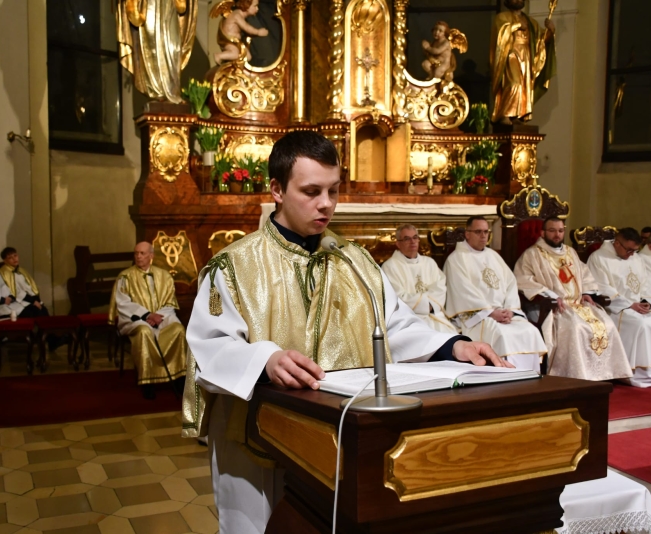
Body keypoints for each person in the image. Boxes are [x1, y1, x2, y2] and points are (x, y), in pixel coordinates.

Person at [180, 131, 511, 534]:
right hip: (258, 440)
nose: (326, 203)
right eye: (311, 191)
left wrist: (452, 345)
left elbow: (394, 324)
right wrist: (265, 359)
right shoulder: (234, 266)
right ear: (277, 190)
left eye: (334, 191)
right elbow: (210, 347)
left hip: (341, 438)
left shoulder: (354, 260)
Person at [514, 217, 632, 380]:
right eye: (552, 231)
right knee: (576, 328)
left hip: (578, 303)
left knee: (607, 324)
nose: (557, 235)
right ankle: (575, 375)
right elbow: (523, 280)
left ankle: (604, 374)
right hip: (553, 306)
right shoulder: (532, 255)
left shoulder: (570, 252)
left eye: (560, 231)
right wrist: (551, 296)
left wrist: (586, 292)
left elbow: (584, 274)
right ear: (542, 233)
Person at [444, 216, 547, 372]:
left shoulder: (493, 256)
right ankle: (509, 378)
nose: (483, 236)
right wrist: (491, 312)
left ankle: (531, 377)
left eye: (486, 232)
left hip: (503, 313)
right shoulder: (456, 259)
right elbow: (463, 292)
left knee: (530, 331)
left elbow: (510, 283)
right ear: (467, 234)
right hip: (477, 316)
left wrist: (510, 310)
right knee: (503, 335)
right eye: (478, 232)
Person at [587, 227, 651, 387]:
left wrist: (646, 301)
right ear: (617, 243)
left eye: (635, 250)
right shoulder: (599, 258)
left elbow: (645, 283)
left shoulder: (636, 258)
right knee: (642, 326)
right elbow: (601, 287)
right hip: (616, 308)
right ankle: (634, 373)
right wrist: (629, 304)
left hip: (638, 306)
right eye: (629, 249)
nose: (631, 254)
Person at [109, 242, 187, 400]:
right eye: (136, 253)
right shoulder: (125, 276)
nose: (138, 256)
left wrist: (156, 316)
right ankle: (147, 382)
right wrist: (146, 315)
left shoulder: (164, 276)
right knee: (144, 332)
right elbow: (123, 304)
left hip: (161, 317)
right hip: (135, 319)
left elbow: (170, 302)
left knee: (178, 330)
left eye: (142, 253)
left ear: (151, 256)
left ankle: (179, 377)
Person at [382, 224, 459, 334]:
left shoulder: (429, 263)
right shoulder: (390, 266)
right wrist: (426, 304)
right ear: (398, 243)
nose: (412, 242)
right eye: (407, 239)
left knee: (451, 339)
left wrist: (430, 306)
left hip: (435, 316)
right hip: (408, 320)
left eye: (415, 237)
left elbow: (440, 288)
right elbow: (397, 297)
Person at [490, 0, 556, 124]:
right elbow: (501, 34)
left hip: (526, 56)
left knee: (524, 87)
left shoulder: (531, 22)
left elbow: (540, 42)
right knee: (514, 83)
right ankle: (505, 114)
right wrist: (517, 25)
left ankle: (517, 115)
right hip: (511, 54)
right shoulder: (502, 17)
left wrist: (550, 31)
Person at [211, 0, 268, 64]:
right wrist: (258, 32)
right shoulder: (237, 15)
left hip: (236, 41)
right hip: (229, 41)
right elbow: (247, 28)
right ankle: (219, 56)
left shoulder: (239, 15)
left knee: (248, 56)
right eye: (255, 6)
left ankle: (235, 65)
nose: (257, 9)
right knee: (235, 54)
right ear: (247, 6)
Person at [0, 247, 48, 319]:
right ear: (5, 261)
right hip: (20, 301)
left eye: (15, 256)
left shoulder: (20, 269)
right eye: (10, 258)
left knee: (44, 311)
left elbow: (29, 287)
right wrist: (33, 301)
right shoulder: (5, 272)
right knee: (37, 313)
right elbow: (15, 291)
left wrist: (37, 299)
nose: (14, 259)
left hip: (30, 299)